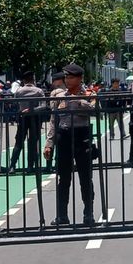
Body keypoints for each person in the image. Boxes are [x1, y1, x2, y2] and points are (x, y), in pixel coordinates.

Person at [44, 63, 98, 226]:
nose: (67, 80)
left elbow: (94, 110)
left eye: (71, 77)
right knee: (63, 179)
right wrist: (49, 143)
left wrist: (79, 101)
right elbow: (54, 121)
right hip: (64, 137)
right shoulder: (60, 96)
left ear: (80, 79)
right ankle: (62, 216)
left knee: (85, 179)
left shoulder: (89, 94)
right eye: (66, 77)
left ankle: (88, 215)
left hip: (82, 137)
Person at [7, 72, 45, 174]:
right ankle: (30, 166)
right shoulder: (38, 91)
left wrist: (22, 109)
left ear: (24, 80)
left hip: (23, 118)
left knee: (18, 142)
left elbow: (14, 103)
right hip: (35, 118)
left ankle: (12, 166)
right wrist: (32, 109)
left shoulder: (19, 91)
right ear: (33, 79)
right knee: (32, 143)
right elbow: (43, 105)